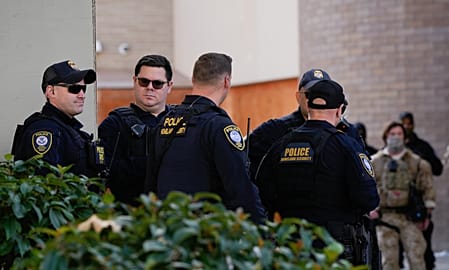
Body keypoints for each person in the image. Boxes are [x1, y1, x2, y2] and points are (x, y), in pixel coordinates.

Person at [255, 79, 379, 264]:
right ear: (339, 110)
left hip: (293, 248)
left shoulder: (280, 145)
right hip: (334, 250)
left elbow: (262, 194)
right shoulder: (347, 146)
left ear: (308, 106)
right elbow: (368, 199)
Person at [144, 52, 265, 223]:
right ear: (226, 81)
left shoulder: (165, 121)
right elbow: (240, 189)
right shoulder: (219, 126)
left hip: (167, 229)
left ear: (193, 79)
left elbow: (150, 183)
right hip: (204, 233)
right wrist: (263, 233)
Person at [98, 55, 173, 204]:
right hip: (130, 215)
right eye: (144, 81)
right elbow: (100, 178)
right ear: (134, 81)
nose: (150, 87)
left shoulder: (181, 124)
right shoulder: (115, 125)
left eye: (157, 83)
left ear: (169, 86)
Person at [11, 60, 103, 177]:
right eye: (74, 88)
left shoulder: (67, 129)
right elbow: (45, 186)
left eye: (83, 89)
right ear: (51, 91)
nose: (82, 95)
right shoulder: (45, 130)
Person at [370, 121, 435, 270]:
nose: (396, 137)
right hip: (385, 218)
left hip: (410, 218)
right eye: (392, 134)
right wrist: (370, 209)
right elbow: (366, 188)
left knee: (417, 259)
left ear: (405, 138)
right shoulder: (374, 162)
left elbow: (427, 188)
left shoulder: (417, 163)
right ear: (386, 136)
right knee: (388, 262)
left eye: (399, 134)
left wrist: (427, 215)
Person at [247, 68, 331, 180]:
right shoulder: (275, 129)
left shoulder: (343, 132)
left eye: (323, 94)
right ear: (298, 97)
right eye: (309, 94)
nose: (316, 100)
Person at [399, 111, 442, 270]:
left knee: (423, 254)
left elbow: (438, 169)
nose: (406, 126)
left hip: (418, 205)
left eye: (409, 123)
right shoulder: (394, 148)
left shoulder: (422, 147)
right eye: (403, 123)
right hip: (397, 207)